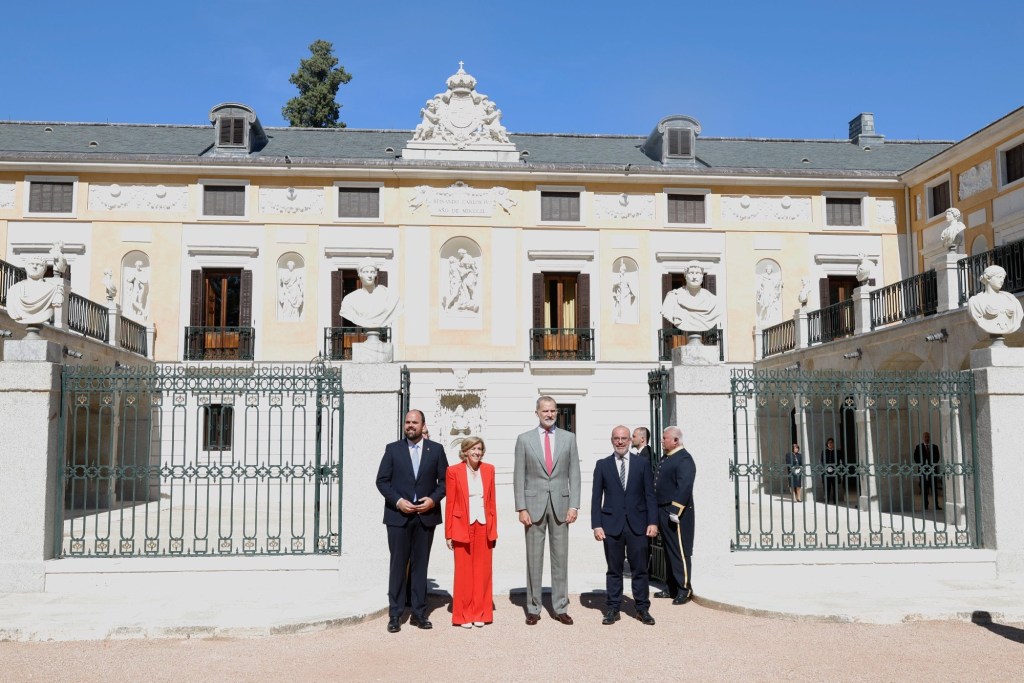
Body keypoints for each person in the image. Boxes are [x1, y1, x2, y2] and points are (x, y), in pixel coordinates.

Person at [375, 410, 448, 633]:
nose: (410, 425)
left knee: (420, 566)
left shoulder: (436, 450)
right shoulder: (393, 449)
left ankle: (418, 613)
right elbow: (382, 481)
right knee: (398, 565)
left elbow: (445, 481)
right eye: (407, 422)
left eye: (414, 422)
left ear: (423, 425)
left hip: (425, 516)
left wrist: (433, 500)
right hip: (398, 517)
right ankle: (395, 614)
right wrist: (398, 501)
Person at [513, 396, 581, 625]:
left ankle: (560, 607)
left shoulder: (569, 438)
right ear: (537, 413)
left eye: (553, 410)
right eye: (545, 411)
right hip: (533, 507)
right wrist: (521, 507)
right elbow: (518, 475)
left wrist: (574, 505)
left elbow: (575, 474)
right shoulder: (524, 439)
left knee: (560, 559)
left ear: (557, 412)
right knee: (534, 559)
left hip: (561, 506)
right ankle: (534, 607)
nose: (549, 414)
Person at [591, 426, 658, 625]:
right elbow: (596, 498)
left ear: (630, 440)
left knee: (640, 569)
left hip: (639, 524)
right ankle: (613, 608)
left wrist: (653, 521)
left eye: (624, 438)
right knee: (614, 569)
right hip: (611, 525)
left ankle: (642, 608)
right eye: (616, 438)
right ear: (611, 440)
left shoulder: (642, 464)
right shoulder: (602, 465)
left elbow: (650, 495)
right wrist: (596, 525)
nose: (620, 442)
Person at [445, 437, 497, 628]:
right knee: (463, 572)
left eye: (480, 449)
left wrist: (494, 530)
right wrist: (448, 533)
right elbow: (450, 502)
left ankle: (480, 613)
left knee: (483, 571)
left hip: (483, 524)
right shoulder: (453, 471)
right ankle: (463, 615)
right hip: (462, 525)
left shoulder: (489, 469)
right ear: (465, 451)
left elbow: (491, 501)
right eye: (473, 449)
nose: (477, 452)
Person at [655, 426, 696, 605]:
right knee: (668, 550)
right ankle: (671, 587)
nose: (662, 441)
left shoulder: (684, 459)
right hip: (662, 509)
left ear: (676, 440)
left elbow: (684, 487)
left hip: (676, 513)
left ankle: (684, 589)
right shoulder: (668, 457)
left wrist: (675, 510)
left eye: (665, 438)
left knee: (680, 551)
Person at [339, 257, 402, 328]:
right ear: (359, 274)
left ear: (375, 274)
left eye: (372, 272)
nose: (369, 276)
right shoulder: (349, 299)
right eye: (366, 272)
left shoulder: (389, 295)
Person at [660, 261, 721, 332]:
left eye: (698, 273)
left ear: (702, 276)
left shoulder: (713, 301)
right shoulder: (673, 297)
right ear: (685, 276)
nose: (694, 277)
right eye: (691, 273)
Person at [968, 265, 1024, 336]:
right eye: (999, 277)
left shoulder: (1011, 299)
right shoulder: (976, 301)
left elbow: (1019, 314)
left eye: (1003, 278)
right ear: (988, 278)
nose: (1002, 280)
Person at [913, 432, 942, 511]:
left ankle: (936, 505)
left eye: (928, 436)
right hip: (922, 470)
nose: (927, 438)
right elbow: (916, 457)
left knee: (934, 489)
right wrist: (922, 464)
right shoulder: (918, 447)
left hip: (932, 470)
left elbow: (937, 457)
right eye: (925, 437)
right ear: (923, 438)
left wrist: (930, 464)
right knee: (924, 489)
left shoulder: (934, 447)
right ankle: (925, 505)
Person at [820, 438, 842, 505]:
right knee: (827, 487)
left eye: (832, 442)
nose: (830, 444)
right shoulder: (824, 452)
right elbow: (822, 461)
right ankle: (827, 501)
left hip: (835, 471)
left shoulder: (837, 452)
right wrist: (825, 468)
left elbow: (840, 461)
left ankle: (835, 501)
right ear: (827, 444)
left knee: (835, 487)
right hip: (826, 472)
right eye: (829, 443)